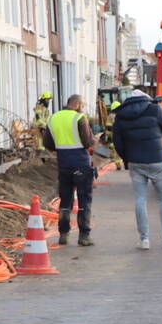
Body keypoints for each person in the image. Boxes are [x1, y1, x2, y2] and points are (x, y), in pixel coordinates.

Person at [112, 90, 162, 250]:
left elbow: (118, 142)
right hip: (157, 159)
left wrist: (127, 159)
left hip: (136, 162)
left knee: (140, 199)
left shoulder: (121, 115)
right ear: (146, 98)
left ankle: (144, 240)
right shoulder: (155, 109)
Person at [41, 94, 96, 247]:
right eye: (82, 104)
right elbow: (87, 142)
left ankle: (63, 234)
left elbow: (48, 143)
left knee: (65, 199)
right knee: (84, 199)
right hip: (81, 164)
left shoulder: (53, 118)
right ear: (77, 104)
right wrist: (95, 139)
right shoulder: (79, 118)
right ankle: (84, 236)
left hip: (63, 164)